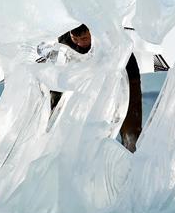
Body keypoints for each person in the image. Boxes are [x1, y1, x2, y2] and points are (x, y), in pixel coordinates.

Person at [46, 24, 142, 153]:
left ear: (93, 32)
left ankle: (131, 148)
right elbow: (59, 78)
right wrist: (54, 110)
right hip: (88, 79)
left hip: (124, 73)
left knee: (129, 120)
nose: (79, 43)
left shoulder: (107, 36)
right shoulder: (64, 39)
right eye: (75, 39)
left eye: (84, 38)